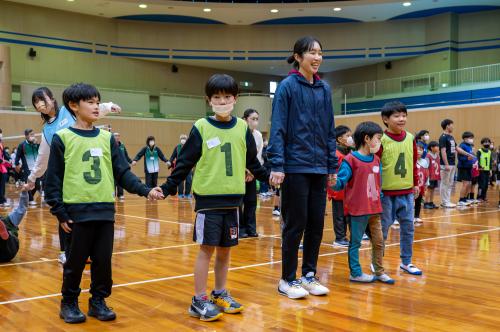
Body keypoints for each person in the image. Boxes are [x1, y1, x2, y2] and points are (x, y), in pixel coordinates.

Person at [44, 83, 163, 324]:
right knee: (74, 263)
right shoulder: (62, 138)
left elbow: (123, 174)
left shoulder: (108, 138)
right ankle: (68, 303)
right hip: (76, 214)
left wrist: (146, 189)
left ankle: (98, 301)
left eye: (98, 102)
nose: (96, 106)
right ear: (74, 106)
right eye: (90, 102)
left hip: (105, 212)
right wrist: (60, 212)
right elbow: (52, 179)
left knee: (102, 262)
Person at [159, 74, 268, 322]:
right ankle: (199, 299)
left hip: (233, 201)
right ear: (209, 100)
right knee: (206, 250)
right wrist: (166, 188)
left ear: (235, 99)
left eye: (227, 97)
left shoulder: (242, 128)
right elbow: (184, 163)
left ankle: (220, 292)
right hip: (209, 202)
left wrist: (271, 177)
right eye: (217, 97)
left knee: (225, 251)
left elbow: (253, 162)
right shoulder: (201, 127)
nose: (222, 101)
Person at [268, 36, 338, 299]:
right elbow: (278, 128)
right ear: (298, 57)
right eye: (312, 52)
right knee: (295, 224)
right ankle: (287, 279)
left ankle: (309, 275)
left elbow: (330, 130)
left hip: (319, 167)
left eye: (320, 53)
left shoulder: (325, 89)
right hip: (295, 166)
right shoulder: (287, 87)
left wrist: (331, 165)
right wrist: (277, 164)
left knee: (316, 224)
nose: (317, 58)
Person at [24, 87, 120, 264]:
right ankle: (65, 251)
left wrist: (109, 106)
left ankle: (87, 252)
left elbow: (90, 108)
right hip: (67, 176)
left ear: (52, 99)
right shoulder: (47, 130)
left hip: (85, 172)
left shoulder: (67, 110)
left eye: (41, 99)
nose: (39, 104)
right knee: (66, 216)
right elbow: (42, 159)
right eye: (35, 102)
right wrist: (31, 179)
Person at [334, 121, 394, 284]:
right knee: (355, 242)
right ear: (367, 139)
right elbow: (340, 183)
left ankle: (379, 271)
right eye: (378, 138)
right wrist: (333, 180)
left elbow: (378, 183)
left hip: (375, 210)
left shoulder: (376, 160)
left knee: (379, 241)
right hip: (357, 211)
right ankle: (355, 273)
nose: (379, 142)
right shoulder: (350, 160)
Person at [376, 101, 422, 276]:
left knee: (408, 227)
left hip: (407, 192)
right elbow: (375, 165)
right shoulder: (381, 140)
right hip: (386, 193)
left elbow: (414, 163)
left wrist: (416, 183)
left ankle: (406, 262)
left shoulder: (410, 138)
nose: (401, 119)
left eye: (404, 115)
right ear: (385, 119)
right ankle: (377, 262)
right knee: (383, 230)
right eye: (397, 116)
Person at [438, 119, 476, 208]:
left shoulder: (451, 137)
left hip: (452, 163)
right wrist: (446, 164)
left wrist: (467, 154)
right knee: (445, 183)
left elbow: (457, 148)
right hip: (446, 164)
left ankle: (447, 201)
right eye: (452, 125)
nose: (453, 126)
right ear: (447, 126)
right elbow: (443, 151)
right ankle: (444, 202)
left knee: (450, 183)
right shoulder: (443, 137)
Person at [327, 125, 353, 247]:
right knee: (339, 216)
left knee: (348, 215)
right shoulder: (335, 154)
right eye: (347, 136)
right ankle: (339, 238)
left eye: (350, 135)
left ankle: (347, 236)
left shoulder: (351, 152)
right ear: (339, 139)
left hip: (349, 190)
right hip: (338, 190)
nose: (350, 138)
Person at [239, 109, 263, 238]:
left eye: (257, 119)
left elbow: (258, 156)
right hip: (240, 173)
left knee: (251, 201)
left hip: (253, 173)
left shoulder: (258, 135)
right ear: (245, 119)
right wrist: (244, 170)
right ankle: (241, 229)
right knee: (239, 202)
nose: (255, 122)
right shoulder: (239, 133)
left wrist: (253, 173)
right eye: (252, 119)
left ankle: (251, 228)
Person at [0, 190, 29, 262]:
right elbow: (22, 209)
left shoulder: (7, 220)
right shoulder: (9, 220)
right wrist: (25, 192)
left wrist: (24, 192)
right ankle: (6, 237)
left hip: (9, 249)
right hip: (10, 251)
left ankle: (6, 237)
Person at [15, 129, 40, 206]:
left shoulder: (35, 144)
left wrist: (37, 144)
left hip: (36, 168)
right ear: (26, 136)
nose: (33, 136)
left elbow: (40, 153)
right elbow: (17, 156)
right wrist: (17, 164)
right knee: (28, 184)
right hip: (27, 168)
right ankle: (30, 199)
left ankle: (29, 197)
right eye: (31, 134)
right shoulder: (22, 145)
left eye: (33, 134)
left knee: (37, 185)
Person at [167, 134, 193, 199]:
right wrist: (170, 162)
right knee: (180, 181)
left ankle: (187, 194)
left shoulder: (189, 146)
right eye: (182, 138)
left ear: (186, 140)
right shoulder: (177, 147)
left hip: (188, 166)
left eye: (184, 138)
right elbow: (173, 156)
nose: (183, 140)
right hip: (180, 166)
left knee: (189, 180)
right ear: (180, 140)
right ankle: (180, 194)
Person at [457, 132, 475, 207]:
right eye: (470, 138)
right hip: (463, 167)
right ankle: (461, 200)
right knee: (465, 184)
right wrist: (467, 158)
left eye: (472, 138)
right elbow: (459, 158)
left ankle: (465, 198)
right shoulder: (462, 146)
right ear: (465, 138)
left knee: (469, 184)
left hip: (469, 167)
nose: (471, 139)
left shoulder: (470, 146)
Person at [113, 132, 132, 201]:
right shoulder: (111, 145)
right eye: (115, 136)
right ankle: (113, 195)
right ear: (113, 137)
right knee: (113, 182)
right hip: (113, 166)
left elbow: (126, 155)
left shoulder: (122, 146)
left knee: (120, 182)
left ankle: (120, 195)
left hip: (121, 166)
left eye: (118, 136)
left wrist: (131, 161)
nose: (117, 137)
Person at [424, 141, 441, 209]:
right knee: (428, 189)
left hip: (435, 176)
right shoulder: (428, 156)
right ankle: (426, 203)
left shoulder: (437, 156)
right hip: (430, 176)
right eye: (436, 146)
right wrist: (427, 176)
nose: (438, 148)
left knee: (433, 189)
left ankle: (431, 202)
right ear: (431, 148)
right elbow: (426, 166)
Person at [414, 144, 429, 223]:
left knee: (419, 201)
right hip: (413, 185)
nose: (419, 151)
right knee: (410, 201)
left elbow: (427, 174)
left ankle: (416, 216)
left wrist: (426, 183)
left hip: (421, 185)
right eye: (417, 149)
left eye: (421, 150)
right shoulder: (411, 160)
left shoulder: (425, 162)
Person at [477, 137, 493, 202]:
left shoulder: (489, 152)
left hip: (487, 170)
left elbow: (490, 161)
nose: (487, 143)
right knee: (481, 184)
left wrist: (490, 170)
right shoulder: (479, 151)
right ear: (482, 143)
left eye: (488, 142)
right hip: (481, 170)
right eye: (485, 142)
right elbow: (477, 160)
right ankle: (479, 197)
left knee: (486, 185)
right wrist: (480, 167)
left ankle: (484, 196)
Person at [0, 129, 10, 208]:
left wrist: (8, 159)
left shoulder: (1, 143)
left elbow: (3, 154)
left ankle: (2, 201)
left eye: (1, 133)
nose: (1, 134)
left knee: (2, 184)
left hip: (1, 167)